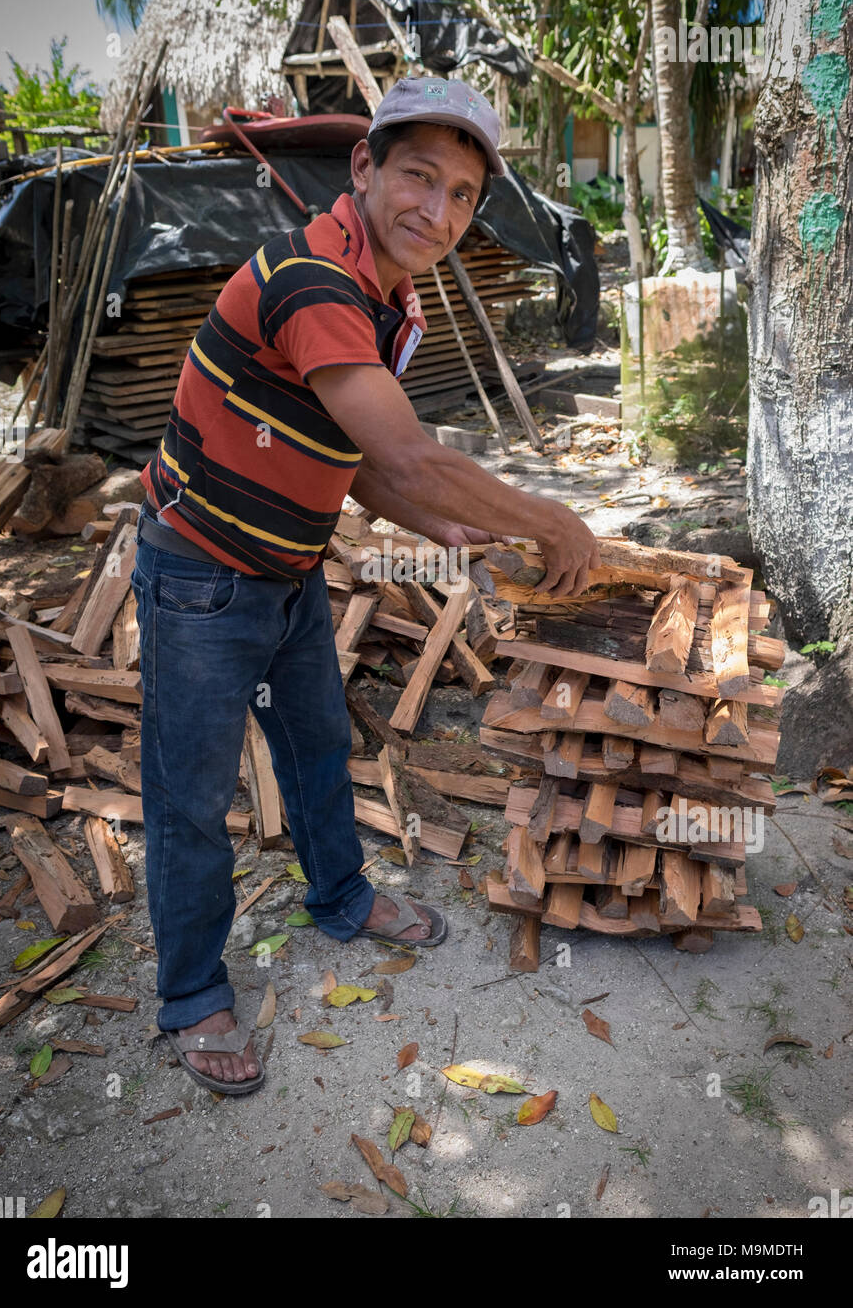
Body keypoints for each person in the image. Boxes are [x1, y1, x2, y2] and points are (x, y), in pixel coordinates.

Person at [132, 75, 600, 1096]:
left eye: (465, 193)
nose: (439, 210)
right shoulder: (311, 277)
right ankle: (193, 995)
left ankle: (340, 896)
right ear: (365, 169)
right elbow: (413, 452)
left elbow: (371, 466)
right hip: (200, 571)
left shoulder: (388, 296)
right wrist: (556, 519)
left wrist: (442, 527)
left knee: (318, 746)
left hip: (289, 566)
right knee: (191, 795)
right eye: (420, 177)